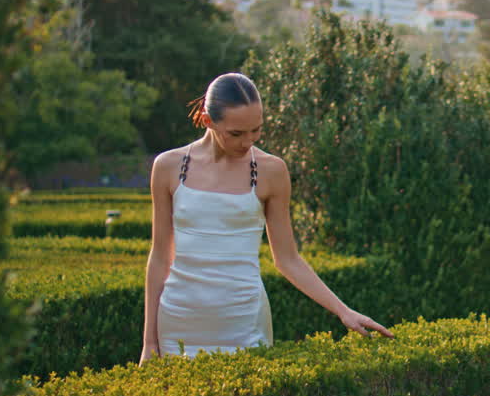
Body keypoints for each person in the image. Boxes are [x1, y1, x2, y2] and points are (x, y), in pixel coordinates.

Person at [139, 73, 394, 364]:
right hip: (179, 320)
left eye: (256, 131)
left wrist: (343, 311)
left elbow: (288, 259)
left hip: (243, 321)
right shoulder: (168, 167)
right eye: (236, 134)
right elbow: (160, 257)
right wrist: (149, 342)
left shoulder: (272, 171)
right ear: (207, 120)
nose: (247, 142)